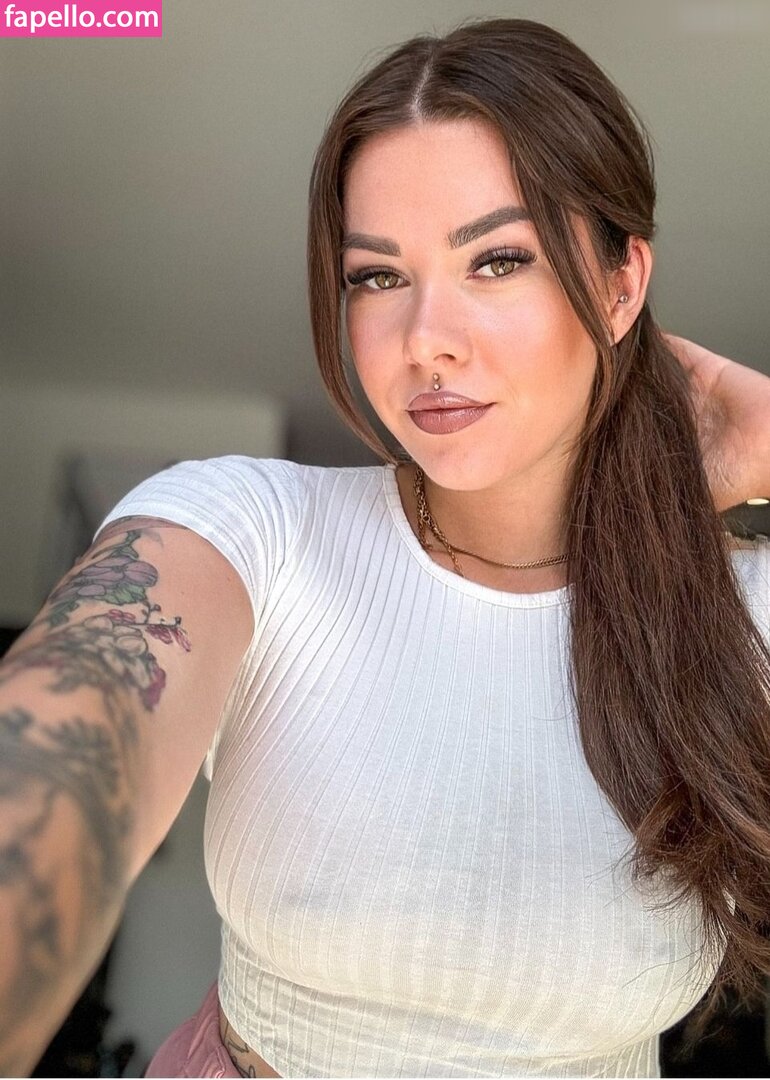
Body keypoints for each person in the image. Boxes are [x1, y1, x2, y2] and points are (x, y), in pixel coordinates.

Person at [2, 15, 770, 1079]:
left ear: (618, 286)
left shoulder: (741, 613)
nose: (425, 341)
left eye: (497, 260)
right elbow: (53, 767)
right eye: (376, 276)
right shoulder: (249, 531)